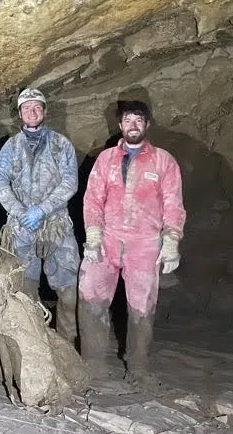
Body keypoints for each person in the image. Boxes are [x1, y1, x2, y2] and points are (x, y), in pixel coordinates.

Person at [79, 100, 186, 386]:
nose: (133, 125)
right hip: (107, 238)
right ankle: (93, 364)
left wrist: (172, 238)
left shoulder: (164, 161)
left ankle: (138, 367)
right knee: (91, 297)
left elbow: (173, 203)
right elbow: (92, 198)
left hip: (144, 242)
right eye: (128, 120)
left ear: (147, 125)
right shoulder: (105, 159)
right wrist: (93, 233)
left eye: (139, 120)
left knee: (141, 305)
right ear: (120, 125)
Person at [0, 88, 80, 344]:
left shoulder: (61, 144)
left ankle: (67, 345)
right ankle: (30, 343)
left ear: (44, 110)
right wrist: (21, 213)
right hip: (21, 227)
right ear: (19, 113)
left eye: (37, 107)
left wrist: (42, 209)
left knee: (68, 290)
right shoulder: (10, 147)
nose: (32, 111)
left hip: (56, 224)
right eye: (27, 107)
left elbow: (70, 182)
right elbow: (0, 184)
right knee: (23, 287)